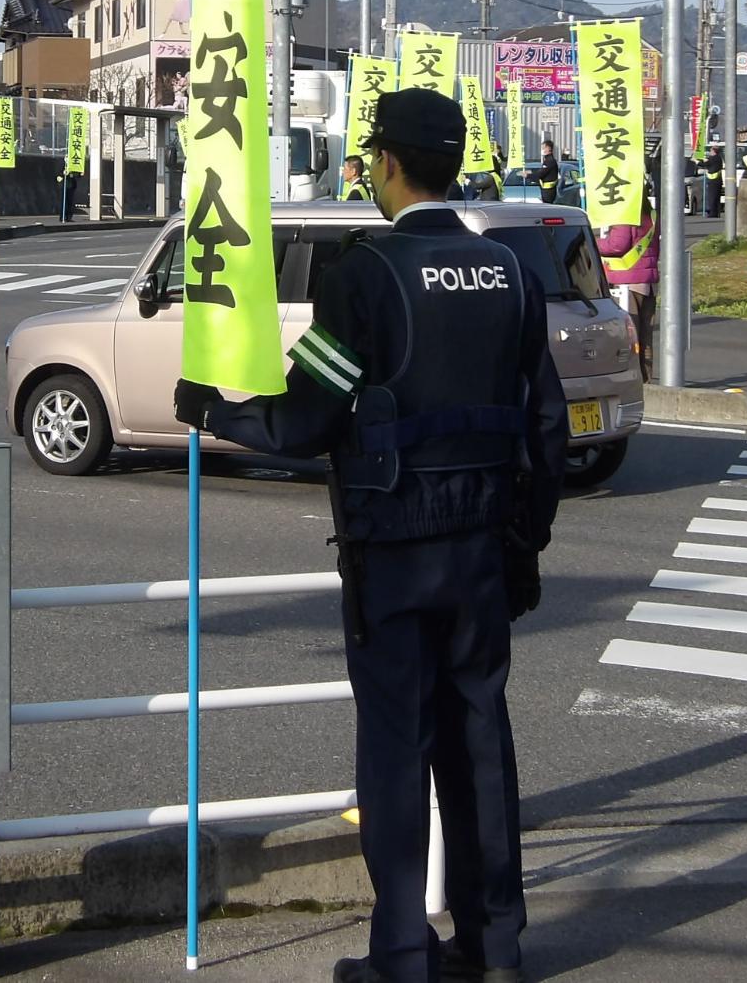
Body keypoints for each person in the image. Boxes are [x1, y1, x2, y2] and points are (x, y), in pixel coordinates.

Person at [175, 89, 568, 983]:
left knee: (397, 750)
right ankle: (496, 950)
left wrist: (217, 414)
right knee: (480, 743)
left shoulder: (366, 274)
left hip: (393, 550)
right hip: (482, 550)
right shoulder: (510, 272)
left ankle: (402, 955)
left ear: (386, 164)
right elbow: (546, 425)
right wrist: (527, 543)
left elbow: (310, 415)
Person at [596, 191, 658, 381]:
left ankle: (631, 379)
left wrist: (592, 241)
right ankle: (646, 377)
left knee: (629, 335)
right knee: (645, 335)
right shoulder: (650, 215)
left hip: (627, 283)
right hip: (646, 280)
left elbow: (616, 246)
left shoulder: (626, 216)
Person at [701, 143, 723, 218]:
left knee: (712, 197)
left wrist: (696, 161)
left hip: (713, 180)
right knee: (716, 197)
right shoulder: (718, 158)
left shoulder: (713, 158)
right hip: (717, 180)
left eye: (711, 150)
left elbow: (705, 164)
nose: (710, 152)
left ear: (714, 151)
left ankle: (712, 213)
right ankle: (716, 212)